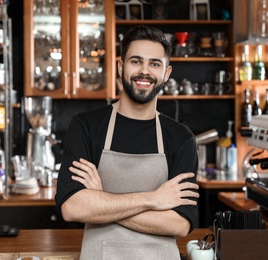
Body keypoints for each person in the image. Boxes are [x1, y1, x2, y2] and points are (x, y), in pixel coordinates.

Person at [55, 25, 199, 259]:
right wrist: (153, 199)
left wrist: (101, 200)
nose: (145, 71)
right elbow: (72, 208)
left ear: (166, 73)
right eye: (136, 61)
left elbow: (180, 223)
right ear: (121, 67)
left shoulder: (181, 138)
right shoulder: (87, 126)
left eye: (155, 64)